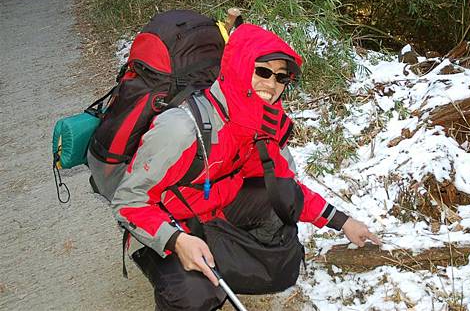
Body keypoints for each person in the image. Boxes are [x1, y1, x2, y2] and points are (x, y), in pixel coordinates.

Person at [110, 23, 380, 310]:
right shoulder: (181, 127)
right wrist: (176, 240)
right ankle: (179, 269)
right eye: (262, 71)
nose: (271, 84)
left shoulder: (258, 124)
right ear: (239, 67)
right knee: (195, 297)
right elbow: (128, 202)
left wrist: (342, 221)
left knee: (278, 195)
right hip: (170, 221)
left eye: (281, 77)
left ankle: (224, 257)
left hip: (214, 209)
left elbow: (284, 186)